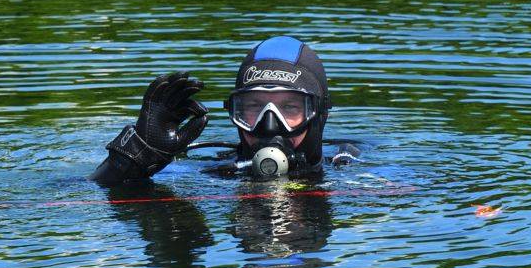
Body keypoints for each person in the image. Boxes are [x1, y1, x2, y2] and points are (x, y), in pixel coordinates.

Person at [89, 36, 359, 186]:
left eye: (289, 107)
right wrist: (132, 159)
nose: (269, 124)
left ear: (319, 114)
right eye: (253, 107)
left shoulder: (352, 176)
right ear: (234, 113)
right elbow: (79, 196)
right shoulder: (212, 173)